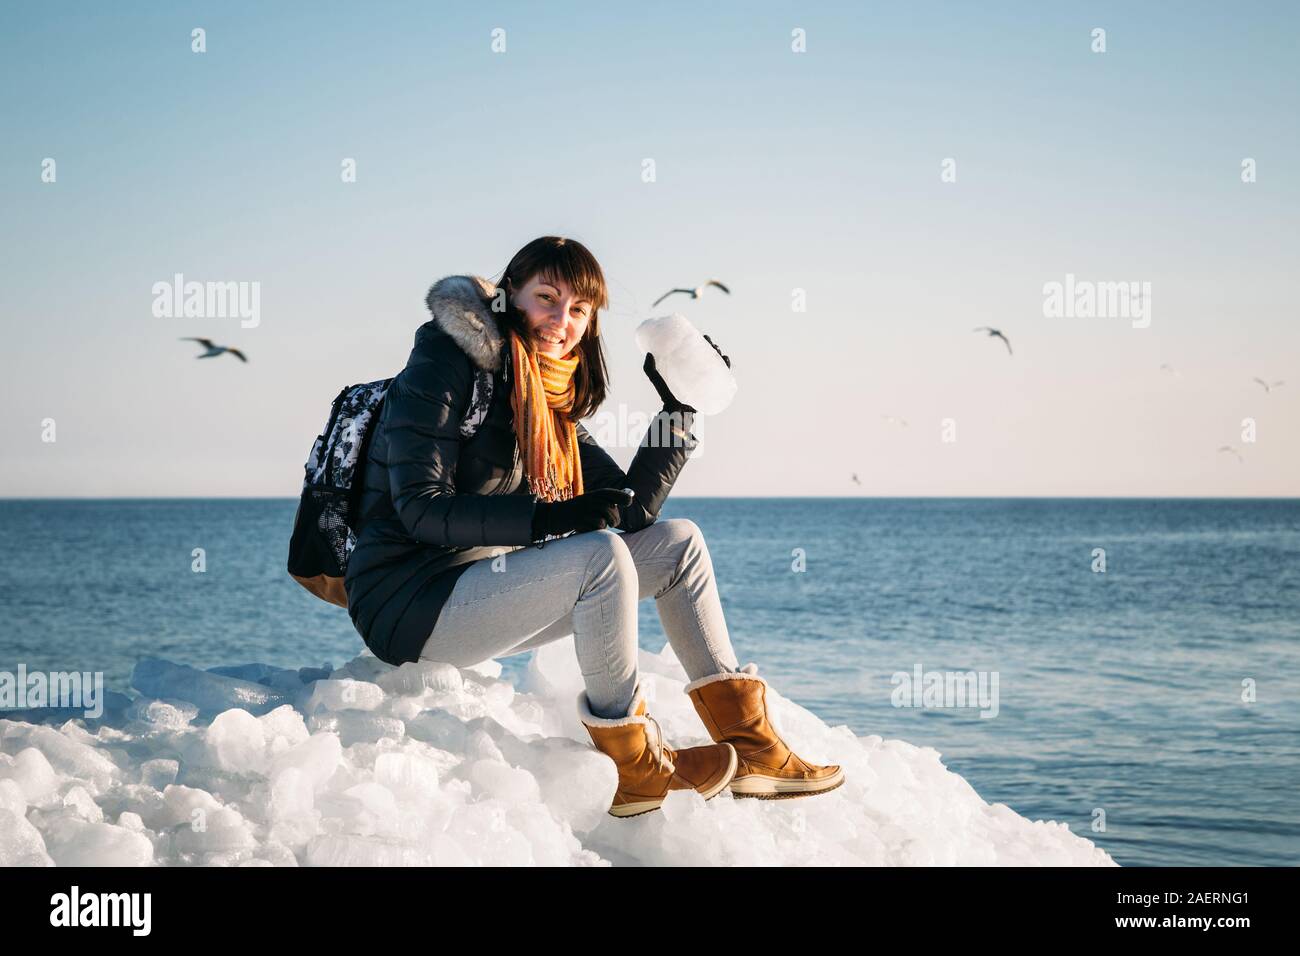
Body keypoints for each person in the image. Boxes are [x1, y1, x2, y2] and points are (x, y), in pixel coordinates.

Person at [346, 236, 843, 817]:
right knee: (599, 555)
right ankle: (640, 768)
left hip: (481, 588)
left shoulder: (544, 400)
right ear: (509, 297)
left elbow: (625, 511)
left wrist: (679, 409)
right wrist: (551, 519)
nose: (562, 321)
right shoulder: (441, 368)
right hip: (407, 603)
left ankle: (754, 748)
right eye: (547, 298)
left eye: (579, 309)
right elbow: (421, 507)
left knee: (678, 544)